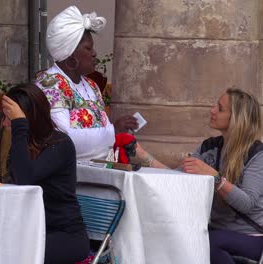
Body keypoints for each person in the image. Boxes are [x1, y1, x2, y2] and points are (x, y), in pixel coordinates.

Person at [137, 88, 263, 263]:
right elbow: (175, 178)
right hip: (216, 230)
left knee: (207, 243)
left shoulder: (257, 154)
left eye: (220, 109)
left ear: (236, 118)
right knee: (182, 238)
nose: (212, 110)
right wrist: (142, 154)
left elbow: (247, 203)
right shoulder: (209, 147)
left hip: (251, 235)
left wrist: (215, 177)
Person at [36, 6, 138, 160]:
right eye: (88, 48)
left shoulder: (91, 86)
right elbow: (63, 139)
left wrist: (118, 133)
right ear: (71, 59)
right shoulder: (51, 85)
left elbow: (101, 131)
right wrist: (113, 130)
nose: (94, 53)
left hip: (98, 168)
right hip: (69, 175)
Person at [2, 83, 89, 264]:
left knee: (14, 255)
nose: (4, 124)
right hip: (30, 231)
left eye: (9, 118)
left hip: (64, 235)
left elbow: (24, 179)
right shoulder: (24, 146)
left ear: (28, 119)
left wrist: (19, 125)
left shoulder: (60, 144)